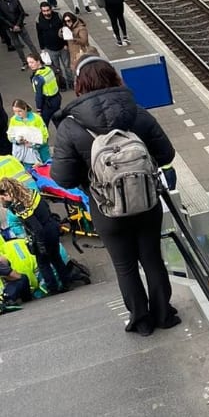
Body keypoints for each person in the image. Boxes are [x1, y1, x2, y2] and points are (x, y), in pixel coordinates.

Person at [51, 56, 179, 336]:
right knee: (152, 258)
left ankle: (141, 321)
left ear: (80, 85)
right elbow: (166, 154)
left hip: (105, 208)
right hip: (146, 201)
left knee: (124, 266)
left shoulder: (70, 127)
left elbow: (61, 177)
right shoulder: (136, 112)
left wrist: (90, 180)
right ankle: (163, 313)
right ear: (115, 79)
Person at [0, 178, 69, 295]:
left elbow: (36, 227)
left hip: (42, 234)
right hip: (52, 226)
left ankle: (53, 289)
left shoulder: (20, 207)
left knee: (43, 263)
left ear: (6, 194)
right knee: (56, 258)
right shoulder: (31, 193)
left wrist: (40, 244)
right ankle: (66, 282)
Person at [0, 0, 37, 70]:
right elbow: (1, 17)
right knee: (17, 46)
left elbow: (21, 12)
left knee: (30, 43)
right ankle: (24, 62)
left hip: (19, 25)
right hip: (10, 28)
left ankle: (37, 59)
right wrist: (12, 26)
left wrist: (18, 24)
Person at [0, 153, 38, 239]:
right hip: (32, 189)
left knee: (13, 221)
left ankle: (24, 240)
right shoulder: (9, 158)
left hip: (19, 194)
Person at [36, 2, 72, 89]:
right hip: (50, 48)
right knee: (56, 68)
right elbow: (39, 34)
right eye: (44, 11)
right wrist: (42, 48)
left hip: (62, 47)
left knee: (67, 66)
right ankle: (62, 84)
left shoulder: (57, 16)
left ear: (51, 9)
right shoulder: (38, 20)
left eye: (48, 10)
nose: (46, 13)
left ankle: (71, 82)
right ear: (41, 11)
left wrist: (66, 44)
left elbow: (64, 30)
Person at [7, 99, 50, 167]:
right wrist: (17, 141)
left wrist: (34, 144)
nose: (17, 114)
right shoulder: (13, 119)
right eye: (15, 111)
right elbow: (10, 135)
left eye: (19, 111)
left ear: (25, 109)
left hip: (41, 151)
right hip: (25, 155)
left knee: (46, 168)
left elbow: (45, 136)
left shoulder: (36, 118)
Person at [27, 53, 62, 128]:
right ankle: (64, 138)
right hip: (56, 99)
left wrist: (39, 109)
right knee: (58, 122)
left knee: (43, 127)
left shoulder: (38, 78)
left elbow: (38, 95)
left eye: (32, 62)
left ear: (38, 61)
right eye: (28, 62)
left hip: (47, 104)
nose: (30, 65)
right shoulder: (48, 69)